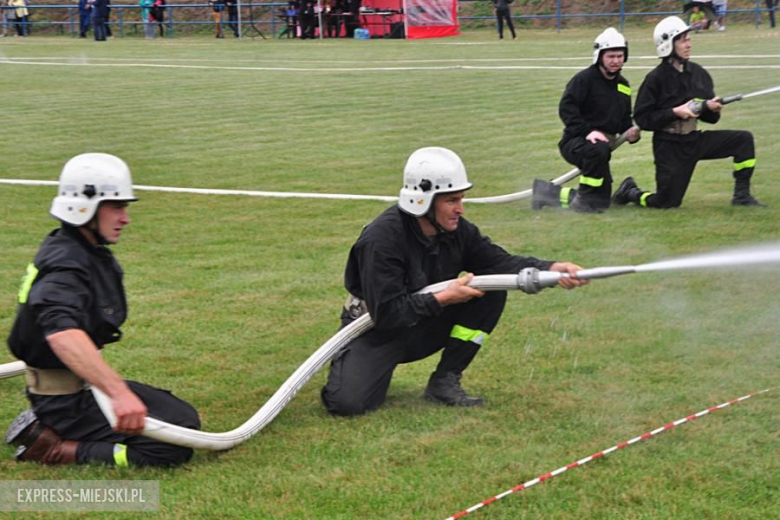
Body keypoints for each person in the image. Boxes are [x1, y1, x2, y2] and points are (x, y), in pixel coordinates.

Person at [320, 147, 587, 417]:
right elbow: (387, 313)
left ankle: (445, 380)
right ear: (422, 201)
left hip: (421, 324)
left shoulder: (457, 230)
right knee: (347, 404)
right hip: (376, 330)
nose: (460, 209)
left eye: (461, 199)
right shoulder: (382, 241)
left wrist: (551, 269)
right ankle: (363, 366)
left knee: (491, 288)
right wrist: (445, 297)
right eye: (451, 201)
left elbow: (498, 263)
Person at [5, 154, 201, 466]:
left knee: (182, 417)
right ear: (86, 208)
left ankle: (46, 423)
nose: (126, 218)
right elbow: (63, 333)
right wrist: (119, 395)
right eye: (117, 207)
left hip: (75, 388)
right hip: (66, 400)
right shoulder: (67, 264)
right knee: (171, 447)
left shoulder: (76, 248)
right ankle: (56, 448)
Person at [613, 17, 764, 209]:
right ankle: (630, 192)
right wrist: (675, 112)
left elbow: (712, 119)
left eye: (689, 39)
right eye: (683, 40)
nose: (688, 44)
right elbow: (643, 118)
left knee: (743, 140)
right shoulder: (655, 79)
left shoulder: (699, 74)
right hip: (668, 146)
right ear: (667, 44)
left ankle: (742, 195)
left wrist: (709, 108)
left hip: (694, 140)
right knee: (667, 202)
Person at [532, 28, 640, 214]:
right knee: (596, 153)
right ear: (599, 56)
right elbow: (566, 108)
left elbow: (623, 120)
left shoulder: (623, 86)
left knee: (601, 202)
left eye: (620, 56)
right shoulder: (584, 80)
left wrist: (631, 133)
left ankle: (545, 192)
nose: (615, 61)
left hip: (601, 148)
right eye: (611, 56)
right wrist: (588, 131)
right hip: (577, 141)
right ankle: (583, 202)